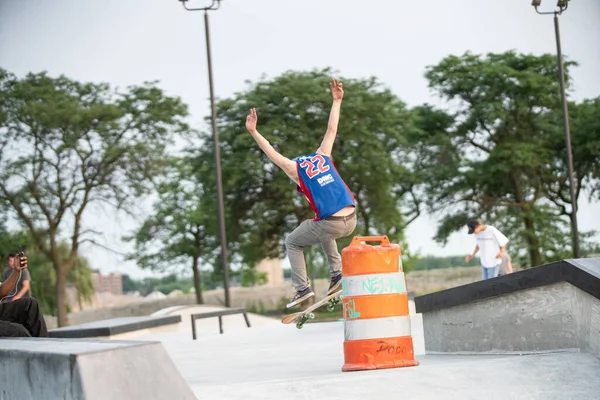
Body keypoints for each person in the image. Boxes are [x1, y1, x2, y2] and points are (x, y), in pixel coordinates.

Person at [245, 78, 357, 308]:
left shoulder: (295, 169)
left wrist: (254, 132)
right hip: (352, 219)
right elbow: (332, 129)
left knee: (292, 242)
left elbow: (273, 154)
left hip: (333, 224)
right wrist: (337, 101)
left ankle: (302, 289)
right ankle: (337, 274)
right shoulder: (323, 156)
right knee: (321, 224)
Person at [0, 252, 48, 337]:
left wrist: (16, 271)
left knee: (30, 304)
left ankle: (45, 345)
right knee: (19, 331)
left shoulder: (24, 272)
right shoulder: (5, 272)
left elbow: (2, 292)